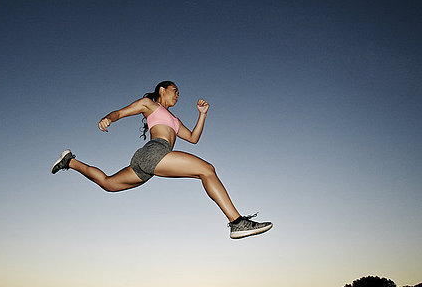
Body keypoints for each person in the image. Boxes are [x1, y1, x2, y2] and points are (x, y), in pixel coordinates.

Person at [51, 81, 272, 239]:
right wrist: (108, 118)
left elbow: (193, 138)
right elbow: (121, 112)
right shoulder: (150, 104)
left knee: (108, 183)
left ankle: (69, 161)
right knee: (207, 170)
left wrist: (202, 114)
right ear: (162, 90)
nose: (178, 96)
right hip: (155, 152)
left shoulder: (175, 120)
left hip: (147, 162)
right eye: (175, 91)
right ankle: (237, 222)